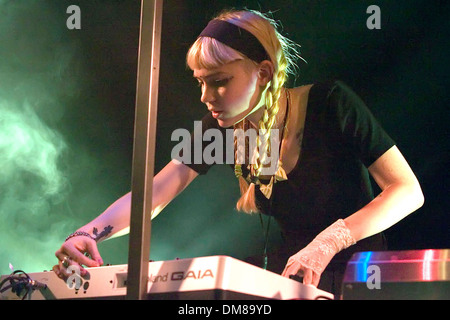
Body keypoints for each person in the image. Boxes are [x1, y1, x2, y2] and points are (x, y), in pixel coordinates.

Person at [53, 9, 424, 296]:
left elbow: (407, 191)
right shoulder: (226, 128)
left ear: (262, 72)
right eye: (201, 83)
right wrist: (88, 232)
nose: (206, 97)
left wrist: (328, 242)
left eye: (219, 82)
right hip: (293, 281)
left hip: (366, 277)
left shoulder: (330, 104)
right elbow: (155, 195)